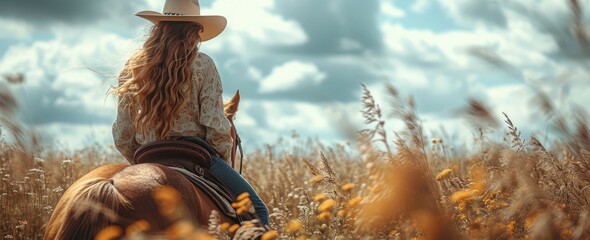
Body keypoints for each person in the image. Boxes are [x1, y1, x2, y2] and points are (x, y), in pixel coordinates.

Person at [110, 0, 270, 227]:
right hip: (196, 156)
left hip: (146, 155)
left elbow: (122, 134)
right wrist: (221, 163)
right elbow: (216, 125)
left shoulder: (133, 67)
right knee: (258, 211)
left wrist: (138, 163)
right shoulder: (203, 65)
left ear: (159, 29)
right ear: (195, 32)